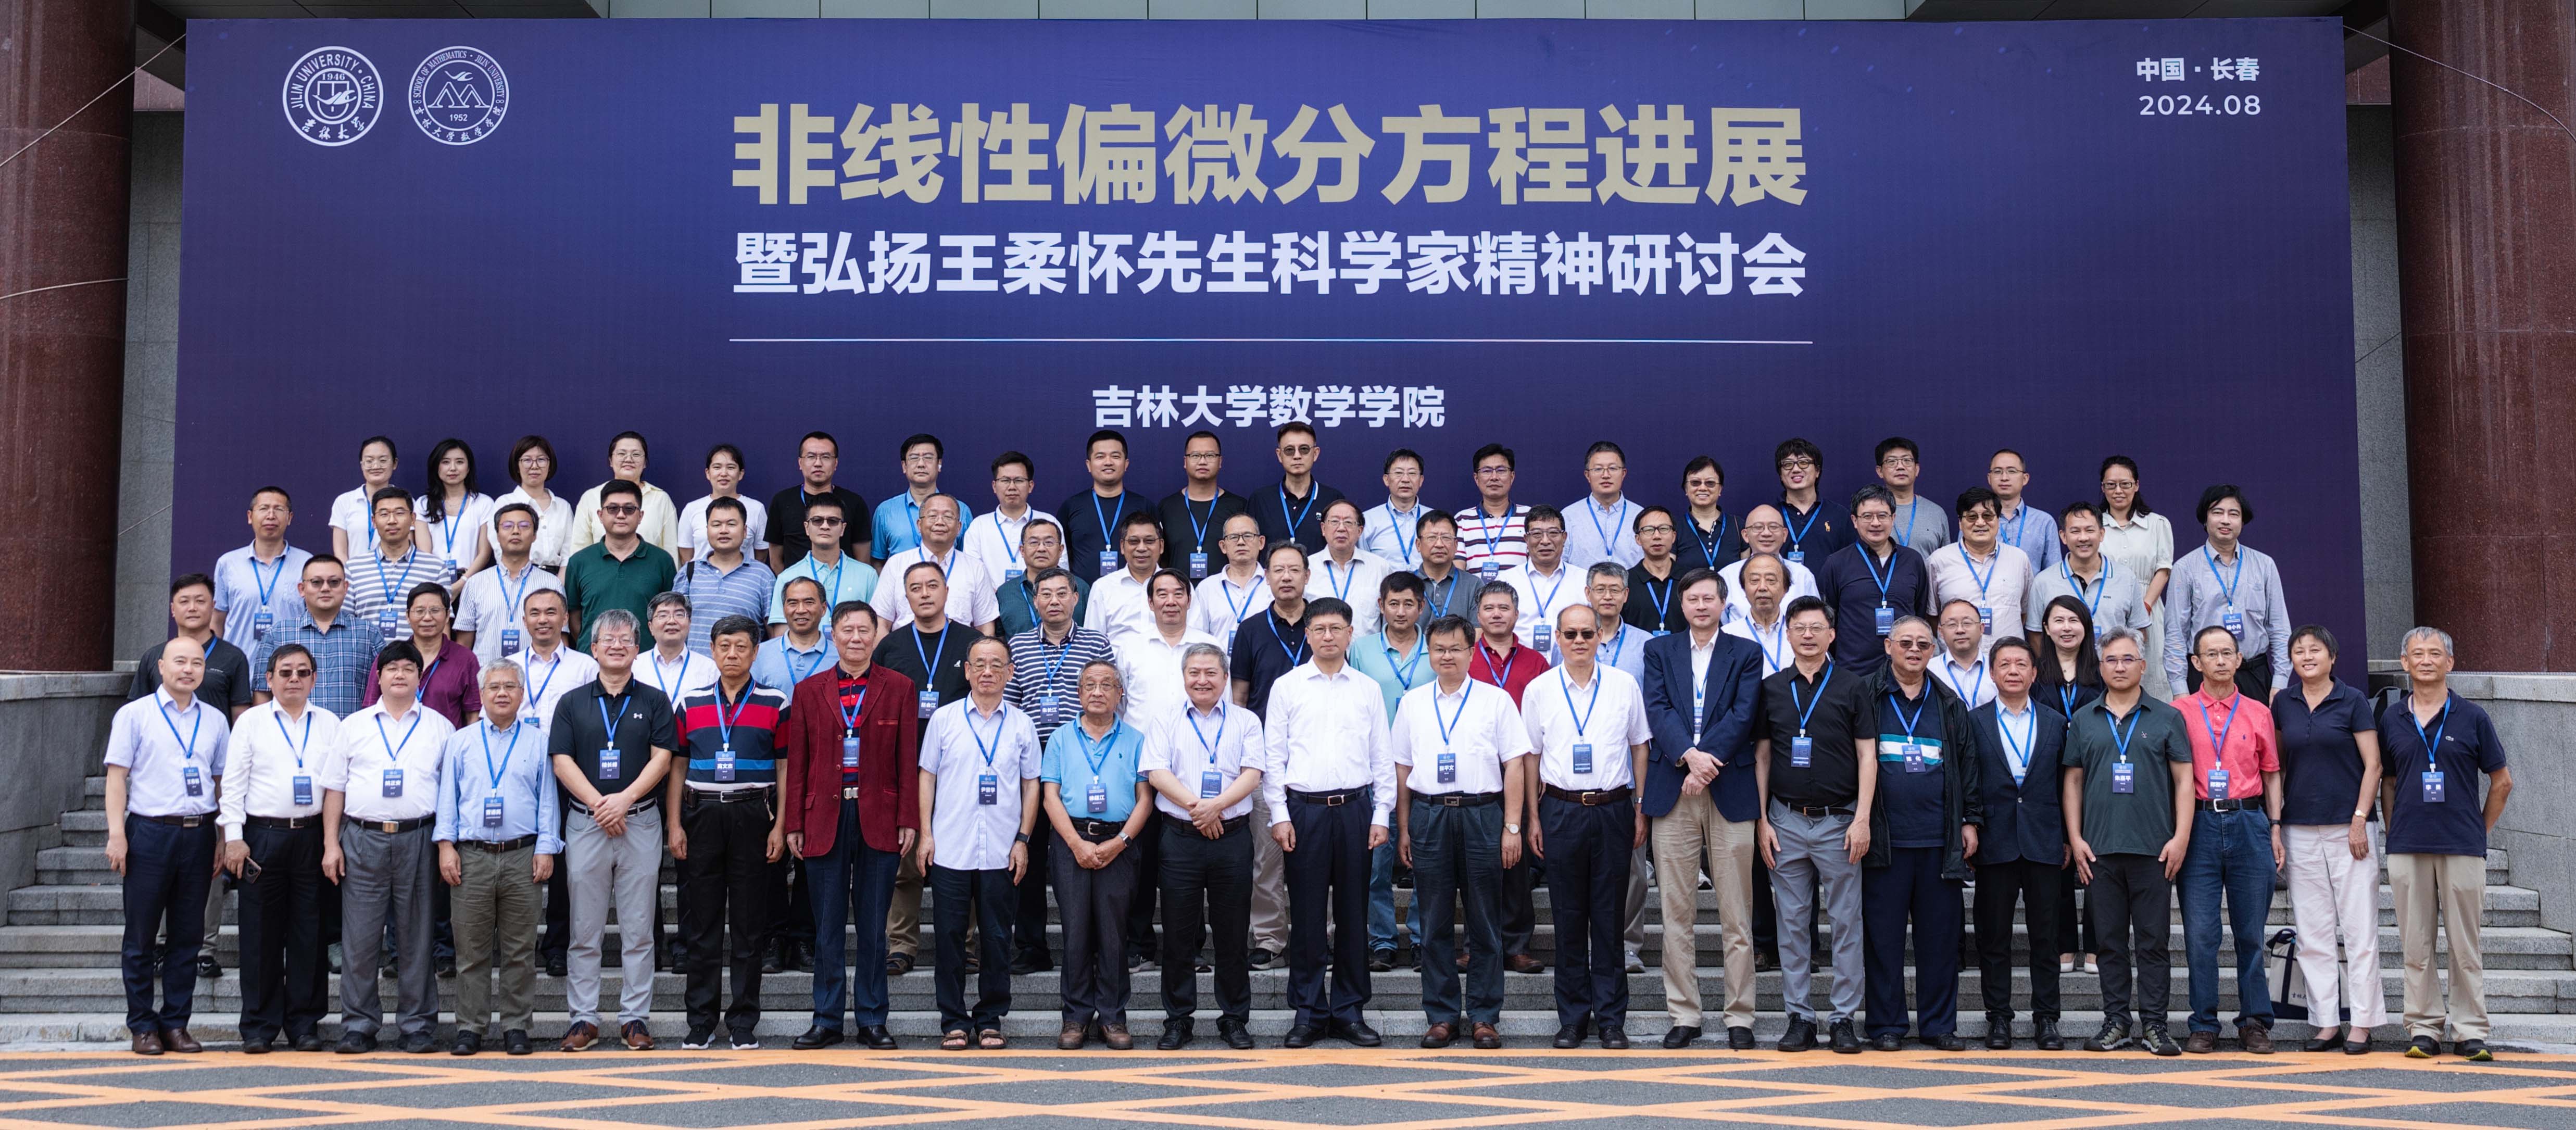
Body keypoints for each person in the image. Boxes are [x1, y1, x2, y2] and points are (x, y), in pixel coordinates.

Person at [782, 601, 916, 1051]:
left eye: (864, 630)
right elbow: (798, 762)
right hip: (824, 816)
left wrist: (908, 818)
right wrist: (794, 821)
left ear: (876, 635)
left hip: (879, 815)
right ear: (833, 635)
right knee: (827, 927)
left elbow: (907, 759)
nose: (856, 638)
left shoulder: (899, 687)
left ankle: (873, 1019)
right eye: (847, 630)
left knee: (875, 927)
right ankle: (826, 1019)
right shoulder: (809, 690)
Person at [1262, 597, 1396, 1048]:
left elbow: (1381, 755)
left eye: (1336, 628)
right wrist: (1279, 814)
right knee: (1306, 914)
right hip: (1304, 811)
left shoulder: (1367, 689)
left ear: (1350, 633)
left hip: (1356, 808)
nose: (1327, 637)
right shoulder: (1287, 687)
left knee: (1354, 914)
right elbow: (1274, 757)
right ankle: (1308, 1011)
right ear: (1307, 634)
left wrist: (1381, 814)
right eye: (1318, 629)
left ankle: (1349, 1010)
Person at [1392, 614, 1529, 1050]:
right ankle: (1441, 1016)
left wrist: (1512, 826)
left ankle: (1485, 1017)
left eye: (1455, 648)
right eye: (1438, 649)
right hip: (1430, 815)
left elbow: (1514, 765)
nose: (1446, 656)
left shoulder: (1496, 701)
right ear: (1428, 654)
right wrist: (1404, 828)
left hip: (1482, 815)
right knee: (1433, 922)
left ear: (1472, 651)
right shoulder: (1412, 703)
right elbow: (1402, 770)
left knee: (1485, 921)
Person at [1640, 570, 1764, 1049]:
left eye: (1708, 598)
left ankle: (1740, 1016)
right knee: (1676, 913)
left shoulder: (1745, 652)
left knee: (1736, 914)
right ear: (1682, 604)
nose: (1700, 606)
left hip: (1728, 786)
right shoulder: (1659, 650)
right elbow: (1657, 709)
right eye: (1692, 599)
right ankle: (1684, 1014)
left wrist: (1704, 763)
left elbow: (1743, 714)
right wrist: (1688, 757)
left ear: (1722, 603)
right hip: (1673, 785)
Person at [2379, 626, 2511, 1062]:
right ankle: (2423, 1028)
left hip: (2461, 845)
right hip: (2408, 846)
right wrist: (2394, 830)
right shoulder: (2392, 718)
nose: (2426, 660)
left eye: (2435, 654)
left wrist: (2478, 830)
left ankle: (2469, 1030)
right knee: (2415, 945)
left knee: (2464, 945)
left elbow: (2502, 782)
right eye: (2417, 654)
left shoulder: (2472, 717)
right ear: (2404, 662)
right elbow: (2388, 782)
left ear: (2449, 663)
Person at [547, 610, 675, 1052]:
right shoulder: (572, 702)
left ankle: (635, 1018)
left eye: (625, 639)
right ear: (594, 648)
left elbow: (663, 758)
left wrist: (622, 801)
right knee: (584, 929)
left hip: (640, 819)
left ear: (637, 648)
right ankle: (583, 1018)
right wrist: (600, 806)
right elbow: (561, 761)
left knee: (639, 928)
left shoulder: (655, 701)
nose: (617, 645)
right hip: (586, 823)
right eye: (608, 639)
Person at [1524, 605, 1651, 1049]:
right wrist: (1533, 817)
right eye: (1570, 634)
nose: (1578, 641)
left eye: (1586, 633)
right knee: (1568, 918)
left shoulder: (1623, 684)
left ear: (1600, 636)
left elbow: (1640, 746)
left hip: (1613, 808)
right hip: (1560, 809)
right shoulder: (1539, 689)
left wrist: (1639, 807)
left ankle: (1612, 1019)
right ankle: (1573, 1019)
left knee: (1610, 918)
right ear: (1557, 638)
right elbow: (1531, 757)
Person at [2063, 628, 2194, 1057]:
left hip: (2154, 850)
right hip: (2098, 851)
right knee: (2109, 943)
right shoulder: (2083, 718)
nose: (2119, 667)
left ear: (2142, 665)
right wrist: (2075, 839)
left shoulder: (2166, 717)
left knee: (2153, 943)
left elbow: (2184, 781)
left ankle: (2155, 1024)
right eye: (2111, 660)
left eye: (2127, 659)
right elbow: (2072, 782)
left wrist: (2180, 838)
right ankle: (2116, 1021)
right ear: (2100, 667)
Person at [322, 640, 457, 1054]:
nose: (400, 675)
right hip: (363, 838)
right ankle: (358, 1025)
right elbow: (335, 788)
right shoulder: (354, 726)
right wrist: (330, 844)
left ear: (419, 676)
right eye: (392, 668)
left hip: (419, 837)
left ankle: (417, 1025)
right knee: (360, 940)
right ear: (378, 677)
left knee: (417, 937)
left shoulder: (441, 727)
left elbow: (450, 793)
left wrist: (445, 844)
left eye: (408, 669)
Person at [1858, 616, 1983, 1052]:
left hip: (1938, 841)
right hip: (1883, 841)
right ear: (1888, 646)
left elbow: (1968, 765)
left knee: (1940, 941)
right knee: (1883, 940)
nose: (1914, 650)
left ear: (1933, 651)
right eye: (1905, 643)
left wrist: (1970, 820)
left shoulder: (1947, 702)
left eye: (1923, 645)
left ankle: (1938, 1025)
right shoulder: (1866, 696)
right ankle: (1885, 1025)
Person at [665, 614, 789, 1050]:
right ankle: (700, 1020)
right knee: (702, 925)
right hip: (702, 815)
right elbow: (677, 766)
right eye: (724, 646)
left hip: (754, 813)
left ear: (755, 653)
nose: (732, 654)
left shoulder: (776, 703)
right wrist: (674, 823)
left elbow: (784, 767)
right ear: (712, 651)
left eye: (741, 647)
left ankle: (742, 1020)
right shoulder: (690, 703)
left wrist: (780, 826)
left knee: (749, 926)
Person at [105, 636, 229, 1056]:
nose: (188, 670)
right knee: (141, 936)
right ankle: (142, 1025)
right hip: (149, 832)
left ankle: (176, 1023)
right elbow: (117, 778)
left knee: (187, 936)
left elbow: (219, 782)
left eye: (196, 663)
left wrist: (223, 836)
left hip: (199, 833)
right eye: (180, 661)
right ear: (161, 667)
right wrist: (117, 834)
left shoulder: (214, 720)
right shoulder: (134, 715)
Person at [1756, 596, 1869, 1054]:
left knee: (1845, 923)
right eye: (1799, 627)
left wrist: (1862, 818)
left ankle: (1843, 1018)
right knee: (1791, 924)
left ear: (1831, 634)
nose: (1807, 635)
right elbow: (1763, 757)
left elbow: (1867, 755)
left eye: (1816, 627)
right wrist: (1762, 821)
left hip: (1839, 821)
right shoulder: (1771, 688)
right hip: (1785, 820)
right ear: (1787, 634)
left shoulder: (1852, 686)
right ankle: (1799, 1017)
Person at [918, 636, 1042, 1050]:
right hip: (950, 846)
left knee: (996, 938)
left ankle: (990, 1019)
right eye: (980, 664)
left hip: (1001, 849)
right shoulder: (944, 719)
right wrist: (926, 834)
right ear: (968, 671)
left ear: (1010, 673)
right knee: (949, 937)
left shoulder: (1022, 724)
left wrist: (1023, 838)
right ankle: (953, 1020)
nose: (988, 672)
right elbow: (927, 776)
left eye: (997, 665)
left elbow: (1031, 784)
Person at [1141, 645, 1266, 1050]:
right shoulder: (1165, 719)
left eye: (1211, 673)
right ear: (1183, 677)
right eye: (1194, 672)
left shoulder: (1246, 721)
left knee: (1232, 934)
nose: (1202, 680)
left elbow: (1252, 773)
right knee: (1178, 934)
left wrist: (1216, 807)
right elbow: (1157, 773)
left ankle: (1234, 1018)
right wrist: (1200, 808)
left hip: (1232, 838)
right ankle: (1178, 1019)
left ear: (1225, 678)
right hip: (1180, 838)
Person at [2271, 625, 2385, 1055]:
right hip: (2299, 828)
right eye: (2298, 651)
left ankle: (2362, 1023)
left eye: (2315, 649)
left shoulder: (2351, 700)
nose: (2306, 656)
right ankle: (2325, 1023)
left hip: (2349, 830)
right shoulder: (2283, 703)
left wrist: (2359, 819)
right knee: (2312, 932)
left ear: (2332, 657)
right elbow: (2279, 766)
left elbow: (2373, 765)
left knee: (2359, 931)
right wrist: (2276, 823)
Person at [434, 660, 558, 1057]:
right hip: (472, 856)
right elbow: (448, 798)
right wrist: (446, 846)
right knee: (471, 950)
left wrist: (546, 847)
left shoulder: (539, 741)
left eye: (509, 687)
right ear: (482, 694)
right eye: (494, 687)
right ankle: (470, 1027)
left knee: (520, 950)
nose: (502, 693)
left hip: (522, 855)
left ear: (521, 695)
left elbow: (547, 800)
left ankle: (516, 1026)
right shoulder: (461, 741)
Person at [2172, 625, 2283, 1053]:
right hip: (2198, 825)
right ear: (2196, 663)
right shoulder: (2179, 712)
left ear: (2239, 660)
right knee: (2201, 934)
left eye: (2227, 653)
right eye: (2210, 654)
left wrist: (2275, 827)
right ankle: (2203, 1023)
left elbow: (2270, 773)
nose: (2219, 661)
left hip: (2248, 822)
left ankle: (2254, 1021)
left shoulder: (2258, 712)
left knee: (2250, 932)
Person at [222, 645, 335, 1054]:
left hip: (311, 835)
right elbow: (233, 782)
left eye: (303, 672)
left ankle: (304, 1024)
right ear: (269, 679)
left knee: (310, 933)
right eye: (285, 672)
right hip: (262, 836)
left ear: (314, 680)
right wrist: (233, 836)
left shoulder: (329, 723)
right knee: (259, 934)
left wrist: (332, 841)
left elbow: (336, 786)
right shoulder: (251, 722)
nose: (294, 679)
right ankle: (258, 1025)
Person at [1008, 566, 1120, 975]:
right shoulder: (1018, 645)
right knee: (1031, 851)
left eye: (1061, 593)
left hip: (1083, 756)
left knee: (1082, 851)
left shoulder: (1096, 643)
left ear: (1076, 599)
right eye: (1045, 594)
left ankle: (1091, 946)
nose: (1053, 601)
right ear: (1034, 601)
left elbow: (1110, 696)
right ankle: (1031, 946)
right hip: (1032, 758)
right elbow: (1011, 704)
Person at [877, 563, 987, 976]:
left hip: (961, 771)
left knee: (963, 864)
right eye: (915, 588)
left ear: (946, 590)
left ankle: (965, 944)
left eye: (931, 586)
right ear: (905, 596)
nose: (924, 594)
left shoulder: (971, 643)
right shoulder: (891, 646)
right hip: (904, 770)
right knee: (904, 865)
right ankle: (902, 945)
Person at [1039, 660, 1153, 1049]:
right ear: (1079, 693)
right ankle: (1075, 1018)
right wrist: (1076, 843)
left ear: (1120, 694)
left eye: (1107, 685)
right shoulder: (1059, 738)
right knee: (1075, 931)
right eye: (1090, 685)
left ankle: (1112, 1018)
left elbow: (1145, 799)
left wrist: (1120, 841)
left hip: (1119, 842)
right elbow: (1050, 795)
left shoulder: (1136, 739)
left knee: (1113, 933)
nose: (1098, 692)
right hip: (1071, 839)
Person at [1970, 637, 2068, 1050]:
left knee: (2046, 937)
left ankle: (2047, 1018)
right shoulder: (1973, 721)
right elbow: (1968, 780)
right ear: (1992, 674)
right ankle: (1998, 1018)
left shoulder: (2056, 722)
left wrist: (2067, 836)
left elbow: (2066, 785)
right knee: (1993, 937)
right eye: (2004, 664)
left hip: (2044, 840)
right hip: (1994, 841)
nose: (2013, 671)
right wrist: (1969, 826)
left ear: (2033, 673)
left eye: (2021, 664)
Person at [507, 588, 596, 981]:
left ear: (565, 619)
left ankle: (557, 946)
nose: (543, 620)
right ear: (524, 620)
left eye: (551, 613)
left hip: (567, 774)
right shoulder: (507, 667)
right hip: (515, 775)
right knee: (515, 860)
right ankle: (516, 946)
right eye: (535, 613)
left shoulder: (585, 667)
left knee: (563, 865)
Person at [1229, 543, 1311, 971]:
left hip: (1318, 758)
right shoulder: (1250, 630)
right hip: (1266, 761)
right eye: (1278, 570)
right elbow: (1239, 698)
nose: (1286, 577)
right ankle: (1269, 938)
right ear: (1267, 577)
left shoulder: (1325, 623)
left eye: (1294, 570)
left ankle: (1317, 936)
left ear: (1307, 576)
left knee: (1318, 860)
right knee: (1266, 857)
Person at [1466, 580, 1551, 976]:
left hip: (1523, 768)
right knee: (1475, 864)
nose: (1497, 614)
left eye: (1504, 608)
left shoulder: (1536, 662)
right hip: (1476, 769)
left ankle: (1516, 945)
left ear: (1517, 614)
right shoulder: (1465, 657)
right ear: (1478, 615)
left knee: (1516, 863)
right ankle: (1476, 945)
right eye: (1489, 608)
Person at [1349, 571, 1429, 970]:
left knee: (1425, 863)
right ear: (1380, 606)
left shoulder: (1436, 648)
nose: (1400, 611)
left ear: (1421, 607)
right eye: (1393, 603)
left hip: (1425, 767)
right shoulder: (1361, 650)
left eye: (1408, 604)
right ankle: (1381, 940)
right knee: (1376, 864)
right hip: (1375, 766)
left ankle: (1421, 938)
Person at [2033, 595, 2104, 976]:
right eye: (2058, 620)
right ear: (2046, 628)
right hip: (2047, 779)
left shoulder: (2101, 673)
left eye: (2073, 620)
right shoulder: (2035, 674)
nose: (2066, 628)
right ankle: (2063, 945)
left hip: (2094, 778)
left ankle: (2095, 945)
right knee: (2056, 862)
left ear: (2085, 627)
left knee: (2097, 862)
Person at [2165, 485, 2292, 696]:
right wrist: (2180, 690)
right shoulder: (2185, 568)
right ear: (2205, 519)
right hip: (2203, 678)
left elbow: (2280, 628)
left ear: (2243, 521)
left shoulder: (2264, 565)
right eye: (2218, 512)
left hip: (2254, 674)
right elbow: (2176, 634)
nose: (2226, 520)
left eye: (2234, 514)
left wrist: (2280, 683)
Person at [1819, 486, 1933, 676]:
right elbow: (1828, 618)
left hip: (1905, 670)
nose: (1876, 523)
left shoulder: (1913, 561)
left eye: (1882, 516)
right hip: (1855, 672)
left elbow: (1919, 613)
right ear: (1855, 521)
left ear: (1893, 518)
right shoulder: (1836, 564)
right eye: (1867, 516)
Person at [253, 556, 380, 718]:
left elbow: (382, 691)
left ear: (346, 587)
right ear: (302, 589)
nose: (325, 588)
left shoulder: (368, 634)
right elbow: (262, 693)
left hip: (352, 732)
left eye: (334, 582)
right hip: (292, 732)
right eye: (316, 582)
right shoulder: (277, 634)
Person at [562, 480, 678, 650]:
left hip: (644, 659)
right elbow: (574, 617)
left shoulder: (662, 561)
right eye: (613, 508)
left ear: (640, 516)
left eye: (629, 509)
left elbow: (669, 615)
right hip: (593, 660)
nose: (621, 515)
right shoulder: (579, 562)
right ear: (600, 515)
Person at [2096, 456, 2176, 698]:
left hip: (2149, 606)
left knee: (2151, 670)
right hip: (2106, 607)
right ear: (2103, 488)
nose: (2118, 491)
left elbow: (2164, 569)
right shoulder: (2094, 525)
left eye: (2125, 484)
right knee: (2111, 666)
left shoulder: (2157, 524)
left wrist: (2145, 606)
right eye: (2111, 485)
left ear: (2137, 485)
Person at [2026, 502, 2152, 648]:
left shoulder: (2126, 578)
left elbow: (2139, 631)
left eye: (2090, 530)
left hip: (2111, 662)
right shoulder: (2044, 581)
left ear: (2102, 534)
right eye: (2075, 531)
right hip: (2063, 663)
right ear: (2064, 536)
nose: (2083, 538)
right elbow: (2035, 635)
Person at [134, 574, 256, 723]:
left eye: (200, 601)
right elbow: (138, 711)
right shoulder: (154, 656)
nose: (192, 608)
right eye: (184, 602)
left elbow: (240, 718)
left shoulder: (234, 657)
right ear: (173, 609)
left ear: (213, 607)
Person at [1927, 487, 2034, 655]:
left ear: (1998, 520)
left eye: (1988, 516)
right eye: (1972, 517)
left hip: (2008, 661)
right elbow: (1932, 616)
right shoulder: (1939, 561)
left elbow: (2024, 612)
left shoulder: (2019, 559)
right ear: (1960, 522)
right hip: (1957, 661)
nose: (1980, 523)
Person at [456, 503, 564, 667]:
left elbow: (561, 638)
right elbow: (463, 645)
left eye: (524, 526)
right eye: (507, 526)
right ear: (497, 535)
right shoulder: (475, 583)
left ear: (535, 535)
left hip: (537, 675)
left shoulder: (551, 583)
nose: (516, 531)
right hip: (485, 676)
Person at [872, 494, 999, 633]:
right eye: (932, 516)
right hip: (904, 646)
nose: (940, 522)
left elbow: (985, 627)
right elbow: (881, 623)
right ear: (919, 525)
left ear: (959, 527)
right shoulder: (896, 564)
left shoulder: (976, 568)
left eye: (948, 517)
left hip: (961, 647)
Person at [1114, 569, 1217, 736]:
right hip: (1141, 745)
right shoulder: (1130, 648)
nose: (1171, 602)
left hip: (1198, 745)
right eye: (1162, 595)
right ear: (1150, 602)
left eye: (1178, 594)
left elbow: (1223, 701)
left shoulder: (1211, 647)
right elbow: (1120, 704)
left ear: (1189, 601)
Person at [367, 583, 481, 729]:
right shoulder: (389, 657)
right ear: (408, 616)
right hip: (394, 741)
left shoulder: (465, 659)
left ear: (447, 616)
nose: (427, 618)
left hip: (446, 741)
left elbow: (473, 715)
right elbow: (371, 708)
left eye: (435, 610)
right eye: (420, 611)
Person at [211, 486, 312, 652]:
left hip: (291, 665)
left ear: (289, 518)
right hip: (240, 665)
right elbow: (217, 620)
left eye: (279, 509)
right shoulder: (228, 563)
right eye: (264, 509)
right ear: (250, 516)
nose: (271, 516)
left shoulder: (307, 563)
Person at [347, 487, 451, 643]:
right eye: (384, 514)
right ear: (374, 521)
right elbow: (346, 622)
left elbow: (443, 626)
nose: (392, 521)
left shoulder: (436, 568)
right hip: (366, 657)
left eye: (400, 513)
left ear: (413, 519)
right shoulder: (353, 568)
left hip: (417, 657)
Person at [673, 497, 775, 653]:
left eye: (731, 524)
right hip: (696, 667)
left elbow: (774, 636)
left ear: (745, 531)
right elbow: (675, 628)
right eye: (716, 525)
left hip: (745, 667)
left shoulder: (763, 576)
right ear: (707, 530)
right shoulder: (688, 573)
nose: (724, 531)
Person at [770, 496, 879, 634]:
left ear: (843, 529)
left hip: (853, 646)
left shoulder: (867, 575)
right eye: (817, 521)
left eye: (833, 521)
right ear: (807, 528)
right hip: (806, 649)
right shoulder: (787, 577)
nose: (825, 526)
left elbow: (876, 627)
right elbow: (781, 635)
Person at [767, 432, 873, 572]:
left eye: (826, 457)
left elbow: (863, 560)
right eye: (811, 457)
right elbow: (775, 561)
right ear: (800, 463)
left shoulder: (855, 503)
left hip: (843, 583)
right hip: (796, 584)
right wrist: (792, 583)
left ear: (835, 463)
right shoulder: (781, 501)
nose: (818, 463)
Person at [1061, 429, 1156, 582]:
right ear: (1089, 465)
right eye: (1100, 457)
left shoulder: (1144, 506)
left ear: (1126, 464)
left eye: (1115, 456)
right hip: (1083, 594)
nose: (1108, 462)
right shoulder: (1071, 506)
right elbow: (1062, 556)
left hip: (1135, 592)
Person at [567, 431, 679, 555]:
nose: (629, 459)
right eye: (621, 454)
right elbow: (579, 550)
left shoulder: (661, 499)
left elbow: (671, 551)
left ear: (645, 463)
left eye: (636, 455)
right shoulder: (591, 498)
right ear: (611, 461)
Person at [1160, 431, 1248, 581]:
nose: (1202, 462)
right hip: (1178, 593)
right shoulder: (1167, 507)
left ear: (1220, 461)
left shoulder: (1239, 507)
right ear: (1185, 462)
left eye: (1210, 456)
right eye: (1195, 456)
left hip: (1227, 592)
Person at [874, 434, 972, 559]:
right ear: (904, 466)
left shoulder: (961, 510)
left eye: (928, 458)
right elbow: (878, 562)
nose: (921, 464)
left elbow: (967, 560)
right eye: (914, 458)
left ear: (939, 464)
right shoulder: (885, 511)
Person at [964, 451, 1058, 582]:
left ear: (1030, 486)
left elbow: (1061, 571)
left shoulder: (1050, 522)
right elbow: (971, 573)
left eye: (1019, 481)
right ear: (994, 486)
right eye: (1005, 481)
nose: (1012, 487)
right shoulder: (979, 526)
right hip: (991, 595)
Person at [1721, 505, 1822, 625]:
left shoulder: (1802, 575)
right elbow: (1720, 621)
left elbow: (1815, 619)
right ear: (1746, 535)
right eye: (1758, 527)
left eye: (1774, 527)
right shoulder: (1727, 575)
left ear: (1784, 535)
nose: (1766, 533)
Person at [490, 436, 576, 573]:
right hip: (516, 575)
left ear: (550, 465)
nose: (534, 466)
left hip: (556, 578)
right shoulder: (505, 503)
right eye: (527, 460)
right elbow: (499, 549)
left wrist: (560, 582)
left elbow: (569, 553)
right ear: (517, 466)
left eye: (541, 460)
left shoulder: (563, 506)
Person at [1503, 506, 1578, 662]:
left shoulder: (1583, 580)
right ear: (1526, 539)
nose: (1545, 541)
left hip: (1571, 667)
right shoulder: (1506, 581)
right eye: (1537, 534)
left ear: (1564, 537)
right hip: (1519, 667)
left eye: (1553, 533)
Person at [996, 519, 1092, 640]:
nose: (1041, 549)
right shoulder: (1005, 592)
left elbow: (1092, 633)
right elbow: (1000, 640)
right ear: (1022, 550)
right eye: (1034, 543)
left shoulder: (1080, 588)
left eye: (1049, 542)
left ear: (1061, 550)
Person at [1309, 500, 1396, 636]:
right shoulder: (1307, 568)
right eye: (1334, 522)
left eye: (1348, 523)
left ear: (1360, 531)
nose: (1341, 528)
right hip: (1322, 648)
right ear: (1323, 529)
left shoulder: (1380, 567)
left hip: (1367, 649)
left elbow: (1391, 617)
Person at [675, 444, 770, 568]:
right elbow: (686, 556)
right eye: (717, 467)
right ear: (708, 473)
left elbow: (761, 555)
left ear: (741, 474)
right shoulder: (691, 509)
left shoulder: (756, 509)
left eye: (731, 467)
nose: (724, 473)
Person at [1083, 510, 1167, 646]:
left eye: (1149, 541)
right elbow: (1092, 643)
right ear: (1122, 546)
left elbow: (1194, 637)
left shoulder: (1179, 586)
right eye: (1134, 541)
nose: (1142, 548)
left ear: (1161, 546)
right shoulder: (1103, 588)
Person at [417, 438, 495, 585]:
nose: (453, 468)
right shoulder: (423, 504)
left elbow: (484, 553)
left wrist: (462, 582)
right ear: (436, 466)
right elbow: (425, 554)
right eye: (446, 462)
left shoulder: (484, 503)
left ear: (469, 467)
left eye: (460, 462)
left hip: (472, 581)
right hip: (434, 582)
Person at [1258, 422, 1341, 554]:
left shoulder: (1333, 499)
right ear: (1279, 455)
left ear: (1315, 453)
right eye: (1289, 450)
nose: (1297, 456)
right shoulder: (1260, 500)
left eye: (1304, 449)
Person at [1190, 512, 1267, 651]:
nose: (1241, 542)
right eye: (1233, 537)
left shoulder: (1274, 583)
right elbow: (1198, 636)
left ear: (1261, 542)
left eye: (1248, 536)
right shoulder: (1207, 588)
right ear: (1223, 546)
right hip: (1219, 664)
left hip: (1264, 663)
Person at [1563, 441, 1643, 570]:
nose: (1606, 475)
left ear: (1623, 473)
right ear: (1588, 475)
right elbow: (1560, 563)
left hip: (1631, 584)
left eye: (1613, 468)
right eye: (1598, 469)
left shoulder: (1641, 516)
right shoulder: (1568, 517)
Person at [1455, 444, 1530, 582]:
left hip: (1520, 595)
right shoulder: (1462, 520)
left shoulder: (1530, 517)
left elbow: (1537, 566)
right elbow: (1458, 571)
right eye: (1487, 471)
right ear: (1476, 478)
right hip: (1476, 596)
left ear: (1512, 477)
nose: (1494, 477)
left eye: (1501, 470)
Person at [1773, 438, 1849, 564]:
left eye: (1804, 463)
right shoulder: (1770, 515)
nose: (1796, 469)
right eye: (1788, 464)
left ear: (1818, 471)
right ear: (1781, 474)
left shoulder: (1839, 515)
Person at [1724, 553, 1796, 677]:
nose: (1762, 587)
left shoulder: (1802, 633)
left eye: (1771, 580)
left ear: (1785, 589)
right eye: (1755, 581)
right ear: (1744, 589)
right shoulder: (1727, 635)